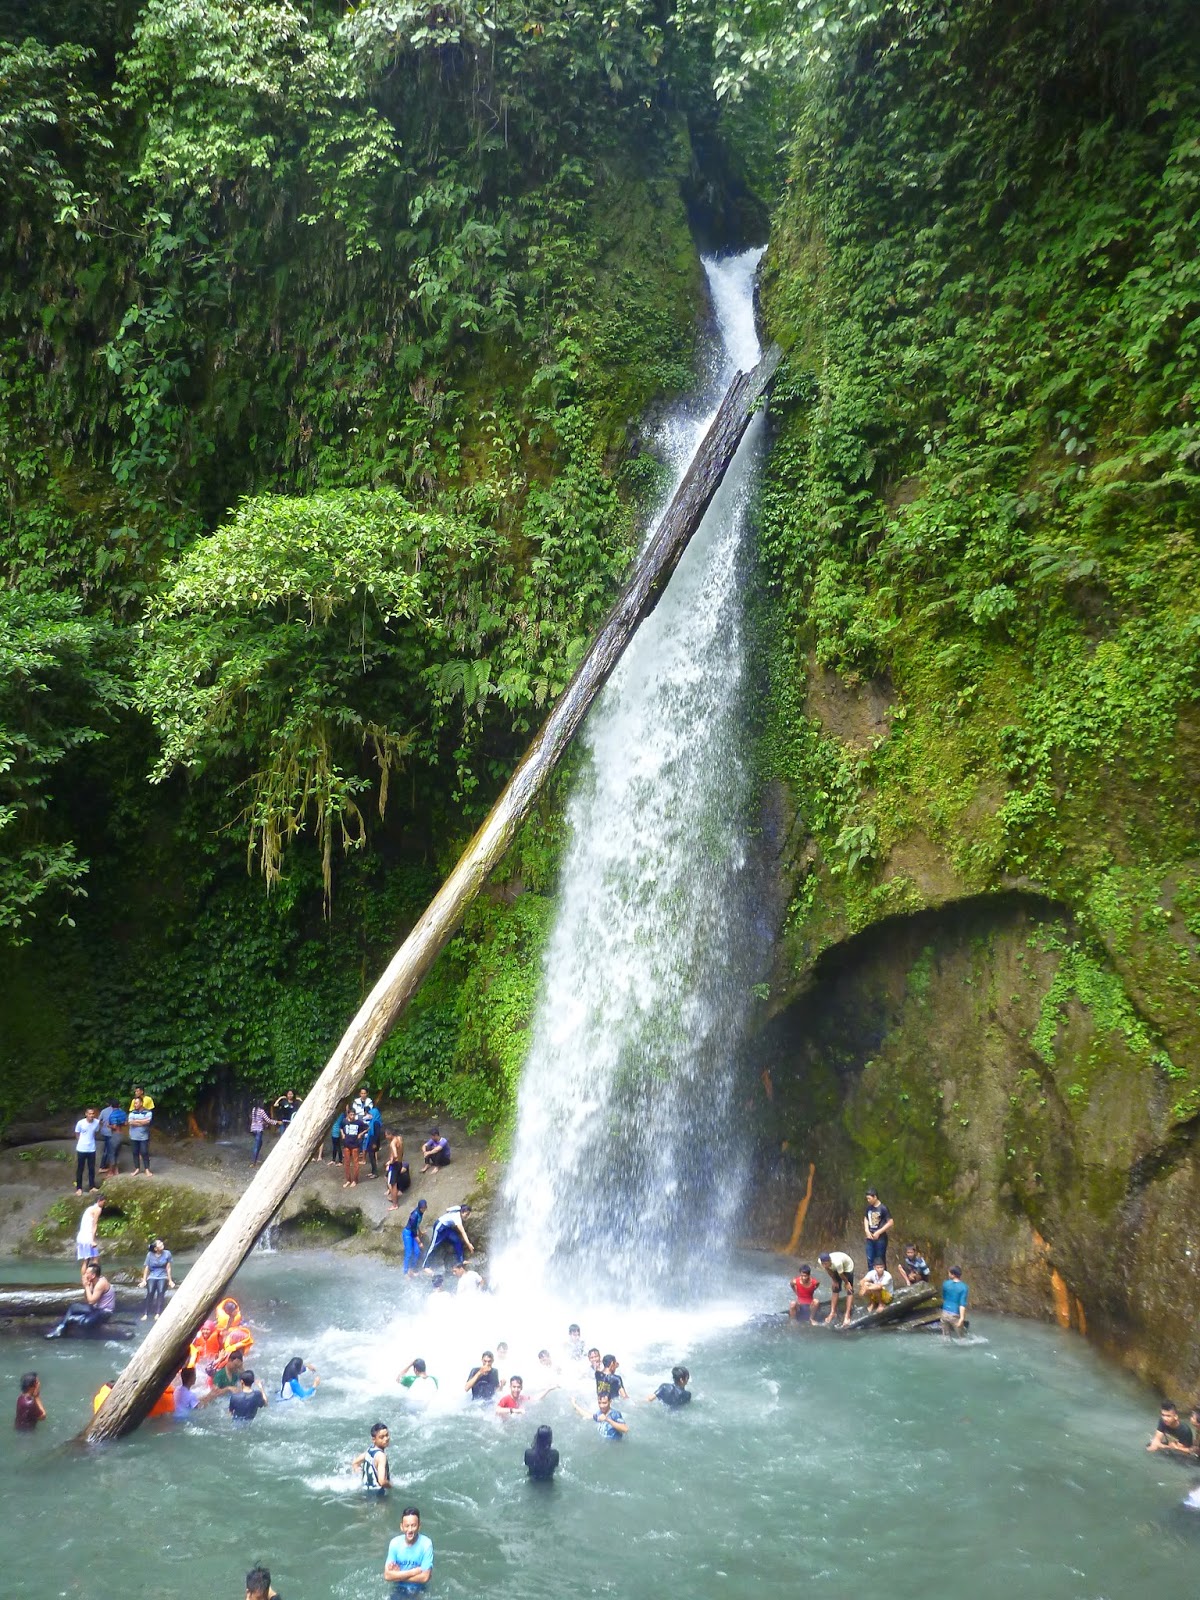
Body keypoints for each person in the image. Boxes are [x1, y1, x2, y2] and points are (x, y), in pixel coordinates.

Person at [46, 1259, 115, 1337]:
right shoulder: (93, 1281)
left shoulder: (101, 1284)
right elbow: (87, 1299)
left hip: (104, 1312)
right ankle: (60, 1328)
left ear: (93, 1275)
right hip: (95, 1309)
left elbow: (91, 1301)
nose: (85, 1275)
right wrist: (87, 1286)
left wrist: (86, 1286)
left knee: (85, 1323)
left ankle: (72, 1319)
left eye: (87, 1273)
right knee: (74, 1307)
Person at [384, 1507, 433, 1591]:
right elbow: (387, 1576)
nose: (410, 1530)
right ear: (401, 1527)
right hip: (399, 1588)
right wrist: (413, 1572)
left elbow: (425, 1577)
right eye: (407, 1526)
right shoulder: (395, 1543)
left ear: (419, 1526)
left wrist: (397, 1575)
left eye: (413, 1525)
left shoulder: (426, 1544)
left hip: (418, 1590)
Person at [423, 1202, 473, 1269]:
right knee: (434, 1246)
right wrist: (468, 1244)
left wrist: (448, 1218)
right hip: (440, 1227)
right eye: (466, 1214)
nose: (467, 1216)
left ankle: (461, 1260)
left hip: (447, 1228)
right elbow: (463, 1232)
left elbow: (447, 1209)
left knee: (457, 1240)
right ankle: (425, 1266)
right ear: (462, 1212)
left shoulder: (458, 1208)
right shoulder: (457, 1219)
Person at [817, 1250, 856, 1327]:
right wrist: (834, 1281)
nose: (824, 1265)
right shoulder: (820, 1261)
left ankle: (847, 1314)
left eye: (826, 1263)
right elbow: (828, 1269)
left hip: (847, 1267)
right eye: (823, 1264)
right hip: (835, 1268)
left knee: (849, 1290)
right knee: (835, 1288)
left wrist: (847, 1283)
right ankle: (832, 1312)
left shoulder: (837, 1263)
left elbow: (841, 1274)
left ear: (830, 1261)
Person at [140, 1236, 176, 1320]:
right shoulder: (149, 1255)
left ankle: (158, 1313)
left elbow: (168, 1268)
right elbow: (147, 1268)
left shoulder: (167, 1253)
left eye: (161, 1242)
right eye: (159, 1243)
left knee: (160, 1292)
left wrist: (170, 1280)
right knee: (150, 1292)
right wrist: (144, 1280)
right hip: (152, 1276)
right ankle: (146, 1313)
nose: (162, 1244)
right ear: (156, 1248)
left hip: (163, 1276)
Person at [353, 1421, 392, 1494]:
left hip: (365, 1492)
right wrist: (391, 1486)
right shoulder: (381, 1456)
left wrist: (359, 1474)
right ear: (374, 1440)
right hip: (378, 1496)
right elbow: (382, 1481)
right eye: (381, 1437)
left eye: (387, 1435)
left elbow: (355, 1463)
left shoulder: (369, 1450)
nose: (386, 1439)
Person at [863, 1188, 893, 1269]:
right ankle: (871, 1278)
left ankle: (883, 1279)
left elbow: (890, 1222)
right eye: (867, 1199)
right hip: (870, 1237)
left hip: (880, 1238)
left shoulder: (883, 1208)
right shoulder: (869, 1208)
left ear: (875, 1197)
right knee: (870, 1260)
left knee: (880, 1260)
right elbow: (866, 1218)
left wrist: (879, 1232)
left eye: (869, 1198)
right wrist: (866, 1230)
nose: (868, 1200)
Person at [73, 1106, 101, 1194]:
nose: (91, 1115)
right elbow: (77, 1133)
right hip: (81, 1149)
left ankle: (92, 1186)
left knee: (91, 1168)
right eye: (89, 1114)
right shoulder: (80, 1123)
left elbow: (96, 1131)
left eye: (93, 1114)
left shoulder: (96, 1122)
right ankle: (79, 1188)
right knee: (80, 1169)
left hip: (91, 1149)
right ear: (86, 1114)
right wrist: (81, 1141)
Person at [75, 1194, 105, 1269]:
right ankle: (95, 1277)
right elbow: (94, 1225)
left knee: (86, 1260)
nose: (104, 1204)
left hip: (81, 1236)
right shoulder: (98, 1209)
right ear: (99, 1201)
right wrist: (93, 1240)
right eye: (103, 1202)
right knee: (95, 1259)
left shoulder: (89, 1208)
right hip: (88, 1237)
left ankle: (84, 1279)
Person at [99, 1097, 126, 1176]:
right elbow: (125, 1123)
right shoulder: (122, 1112)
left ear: (110, 1105)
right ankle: (116, 1171)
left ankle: (110, 1172)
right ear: (119, 1105)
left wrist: (108, 1125)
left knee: (111, 1153)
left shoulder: (112, 1114)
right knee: (117, 1153)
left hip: (114, 1135)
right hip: (121, 1134)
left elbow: (114, 1126)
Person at [940, 1265, 969, 1336]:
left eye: (949, 1273)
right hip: (954, 1314)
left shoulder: (945, 1284)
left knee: (945, 1337)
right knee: (962, 1338)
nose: (948, 1274)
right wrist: (962, 1318)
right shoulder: (964, 1287)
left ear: (953, 1275)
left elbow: (944, 1297)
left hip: (944, 1313)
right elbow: (962, 1304)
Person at [129, 1093, 153, 1175]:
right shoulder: (132, 1112)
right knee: (135, 1152)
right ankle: (137, 1168)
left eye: (136, 1103)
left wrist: (136, 1121)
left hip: (143, 1137)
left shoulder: (148, 1112)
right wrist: (141, 1122)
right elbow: (130, 1122)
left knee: (144, 1152)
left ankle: (147, 1169)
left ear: (141, 1103)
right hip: (134, 1136)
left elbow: (147, 1121)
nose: (134, 1105)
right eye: (134, 1103)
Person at [403, 1199, 428, 1276]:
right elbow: (413, 1231)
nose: (423, 1209)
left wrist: (420, 1232)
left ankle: (412, 1269)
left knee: (417, 1252)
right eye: (422, 1208)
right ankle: (405, 1272)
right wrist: (419, 1242)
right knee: (409, 1253)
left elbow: (416, 1225)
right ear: (419, 1207)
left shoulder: (420, 1213)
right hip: (408, 1233)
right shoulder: (414, 1215)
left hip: (413, 1232)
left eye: (424, 1208)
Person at [341, 1103, 363, 1187]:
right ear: (348, 1114)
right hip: (346, 1144)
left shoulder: (358, 1122)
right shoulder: (344, 1121)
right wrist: (342, 1133)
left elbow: (367, 1127)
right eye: (351, 1115)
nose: (352, 1116)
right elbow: (340, 1127)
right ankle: (348, 1180)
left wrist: (361, 1134)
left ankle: (355, 1180)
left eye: (354, 1114)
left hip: (355, 1145)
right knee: (346, 1163)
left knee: (355, 1163)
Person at [250, 1101, 278, 1166]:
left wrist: (263, 1123)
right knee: (257, 1146)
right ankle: (253, 1162)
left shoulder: (254, 1109)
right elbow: (268, 1120)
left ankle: (255, 1159)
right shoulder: (261, 1111)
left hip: (253, 1129)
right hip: (259, 1129)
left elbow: (257, 1120)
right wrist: (276, 1122)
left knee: (259, 1143)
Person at [387, 1133, 408, 1208]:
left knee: (393, 1185)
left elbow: (395, 1154)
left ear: (390, 1134)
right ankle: (394, 1200)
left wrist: (391, 1161)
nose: (386, 1137)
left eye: (386, 1135)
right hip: (400, 1163)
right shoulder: (399, 1139)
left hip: (395, 1164)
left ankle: (395, 1204)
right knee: (394, 1183)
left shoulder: (393, 1143)